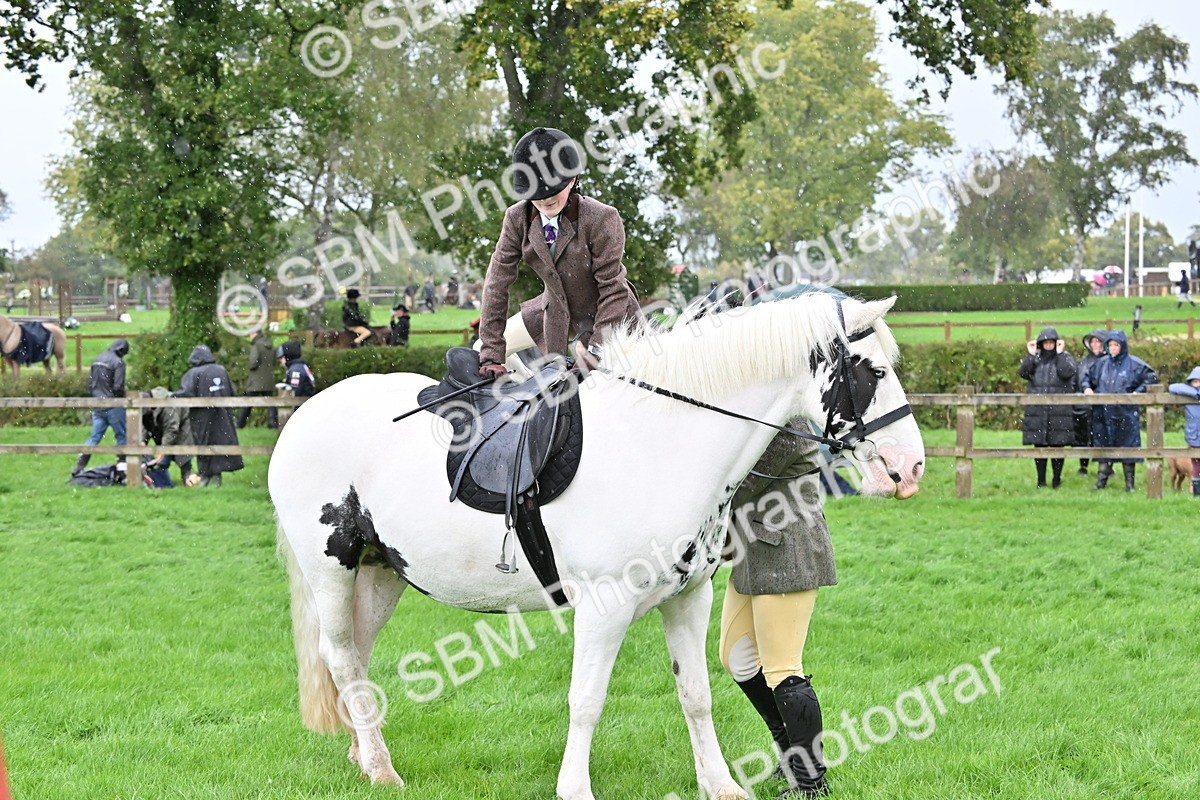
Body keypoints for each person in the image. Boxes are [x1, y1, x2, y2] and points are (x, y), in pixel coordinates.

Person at [476, 126, 642, 378]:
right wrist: (492, 355)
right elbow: (496, 283)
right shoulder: (516, 218)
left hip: (610, 316)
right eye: (536, 195)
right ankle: (525, 394)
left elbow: (612, 289)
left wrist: (596, 349)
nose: (545, 201)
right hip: (552, 312)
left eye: (553, 191)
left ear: (573, 179)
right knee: (482, 348)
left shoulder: (602, 218)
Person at [720, 433, 833, 798]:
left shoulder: (788, 426)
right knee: (735, 658)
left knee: (782, 667)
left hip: (789, 553)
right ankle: (790, 753)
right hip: (752, 552)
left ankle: (811, 781)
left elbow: (740, 485)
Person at [1080, 330, 1157, 491]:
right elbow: (1086, 377)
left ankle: (1130, 485)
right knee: (1103, 447)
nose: (1113, 348)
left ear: (1122, 346)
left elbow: (1151, 377)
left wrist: (1138, 392)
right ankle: (1101, 483)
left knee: (1127, 447)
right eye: (1110, 345)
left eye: (1116, 345)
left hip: (1125, 413)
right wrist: (1087, 388)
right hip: (1103, 413)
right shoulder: (1101, 363)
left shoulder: (1134, 364)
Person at [1018, 327, 1077, 489]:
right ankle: (1041, 481)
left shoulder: (1065, 358)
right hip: (1038, 410)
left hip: (1059, 411)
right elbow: (1023, 373)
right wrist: (1030, 355)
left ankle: (1057, 479)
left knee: (1058, 445)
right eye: (1046, 343)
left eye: (1052, 342)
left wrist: (1060, 354)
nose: (1049, 345)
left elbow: (1067, 372)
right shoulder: (1035, 360)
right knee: (1040, 446)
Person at [180, 345, 244, 486]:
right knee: (220, 441)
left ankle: (206, 477)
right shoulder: (221, 370)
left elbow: (187, 393)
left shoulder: (194, 373)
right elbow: (232, 391)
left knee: (204, 443)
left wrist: (172, 396)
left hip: (202, 417)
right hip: (223, 416)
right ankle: (215, 478)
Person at [72, 338, 130, 476]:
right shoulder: (118, 362)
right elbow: (118, 387)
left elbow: (90, 383)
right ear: (121, 350)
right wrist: (122, 399)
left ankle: (79, 466)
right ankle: (122, 469)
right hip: (113, 405)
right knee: (122, 435)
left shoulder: (97, 359)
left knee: (94, 436)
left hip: (97, 404)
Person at [142, 386, 195, 486]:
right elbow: (145, 423)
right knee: (161, 463)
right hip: (167, 431)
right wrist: (142, 440)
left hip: (182, 429)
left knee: (183, 460)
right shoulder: (149, 407)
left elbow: (172, 429)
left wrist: (162, 450)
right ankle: (162, 481)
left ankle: (189, 480)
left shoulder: (169, 405)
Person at [1074, 330, 1106, 474]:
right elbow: (1079, 381)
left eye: (1098, 341)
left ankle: (1105, 467)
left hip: (1103, 404)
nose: (1095, 345)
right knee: (1083, 435)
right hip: (1084, 405)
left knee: (1103, 436)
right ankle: (1083, 465)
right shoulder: (1084, 361)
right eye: (1093, 342)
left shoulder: (1108, 361)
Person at [1168, 367, 1200, 498]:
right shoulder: (1188, 393)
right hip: (1195, 435)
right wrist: (1196, 393)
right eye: (1195, 382)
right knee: (1196, 465)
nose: (1198, 384)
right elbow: (1173, 387)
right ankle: (1197, 493)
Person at [237, 329, 278, 429]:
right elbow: (274, 362)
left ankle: (240, 423)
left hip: (256, 380)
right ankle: (273, 422)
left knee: (248, 402)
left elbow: (253, 363)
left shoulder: (256, 345)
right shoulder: (270, 345)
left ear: (255, 334)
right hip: (268, 379)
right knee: (270, 403)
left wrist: (250, 365)